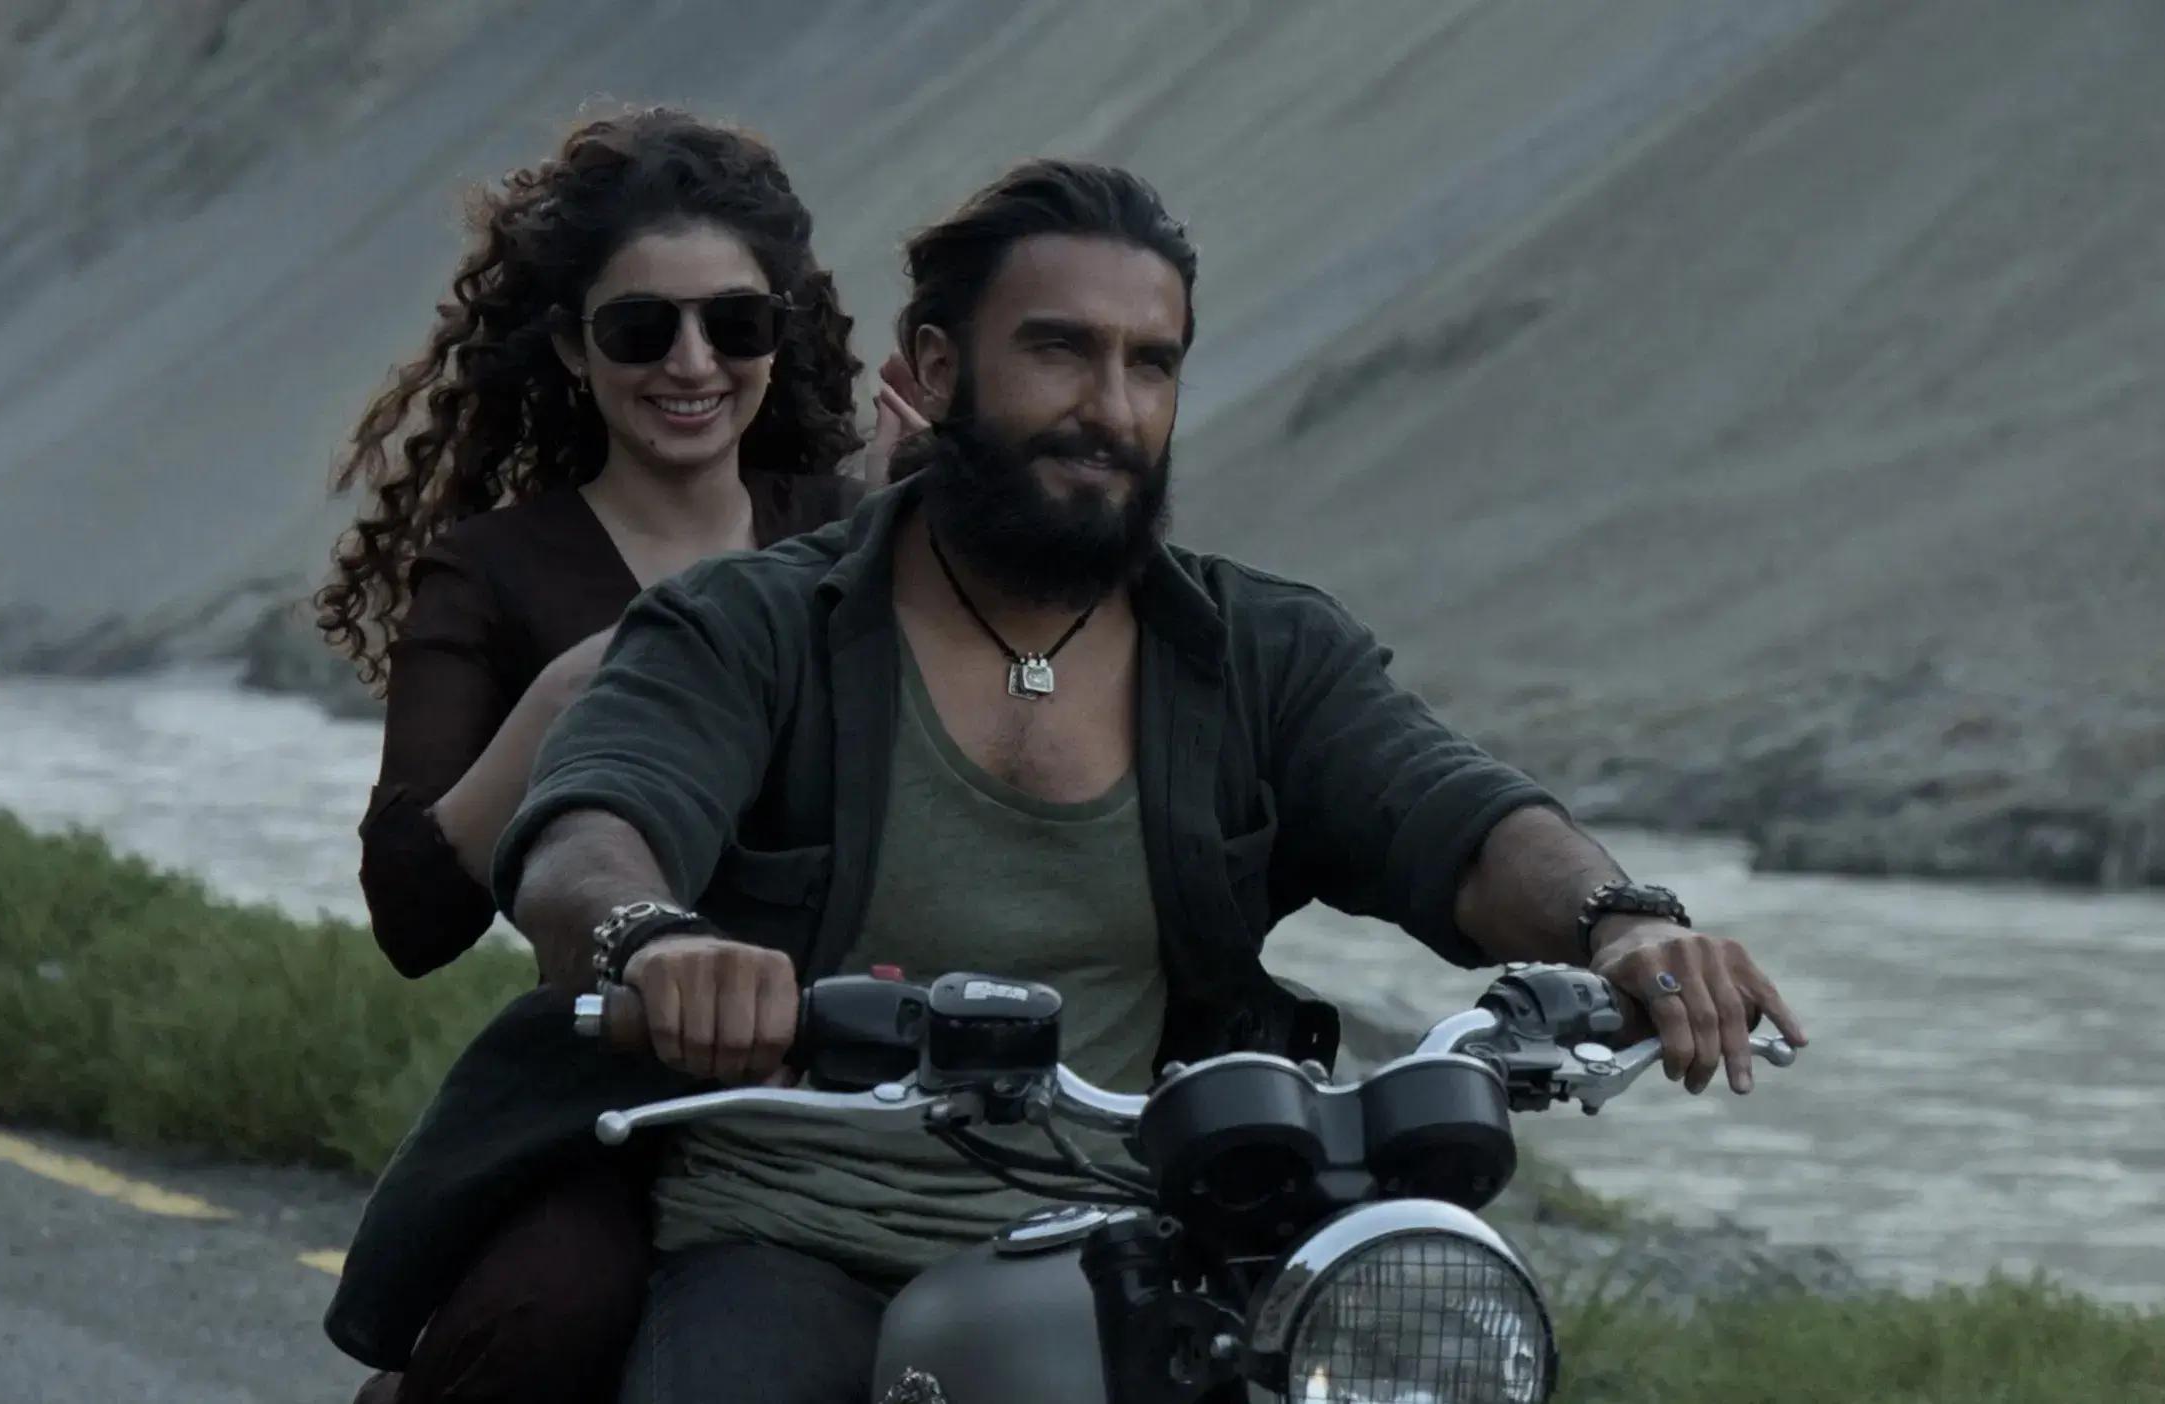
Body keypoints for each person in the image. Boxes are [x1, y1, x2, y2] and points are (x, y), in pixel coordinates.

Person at [325, 158, 1808, 1402]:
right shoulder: (751, 625)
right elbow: (593, 827)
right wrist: (657, 941)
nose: (1109, 405)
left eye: (1148, 364)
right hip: (791, 1234)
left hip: (1134, 1242)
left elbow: (1458, 815)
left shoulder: (1256, 650)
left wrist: (1621, 922)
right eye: (1059, 351)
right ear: (934, 370)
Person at [311, 105, 920, 1404]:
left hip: (851, 1081)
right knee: (547, 1315)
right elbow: (413, 917)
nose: (692, 362)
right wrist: (580, 689)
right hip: (609, 1093)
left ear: (780, 335)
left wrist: (923, 520)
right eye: (643, 328)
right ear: (573, 349)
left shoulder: (850, 526)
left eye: (735, 323)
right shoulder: (493, 571)